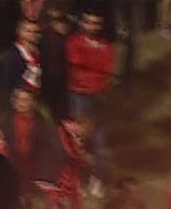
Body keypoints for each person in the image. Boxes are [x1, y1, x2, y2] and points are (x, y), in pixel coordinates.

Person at [65, 9, 114, 198]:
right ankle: (80, 179)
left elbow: (106, 70)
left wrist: (90, 68)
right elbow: (76, 63)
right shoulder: (73, 42)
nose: (92, 26)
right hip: (78, 96)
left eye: (96, 23)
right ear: (82, 22)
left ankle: (97, 179)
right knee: (78, 141)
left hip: (98, 97)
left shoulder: (106, 47)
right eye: (89, 22)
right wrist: (92, 68)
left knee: (99, 140)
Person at [1, 18, 43, 96]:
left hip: (36, 96)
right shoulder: (13, 54)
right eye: (28, 31)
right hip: (19, 99)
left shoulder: (41, 53)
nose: (33, 34)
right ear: (20, 32)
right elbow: (9, 81)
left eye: (36, 32)